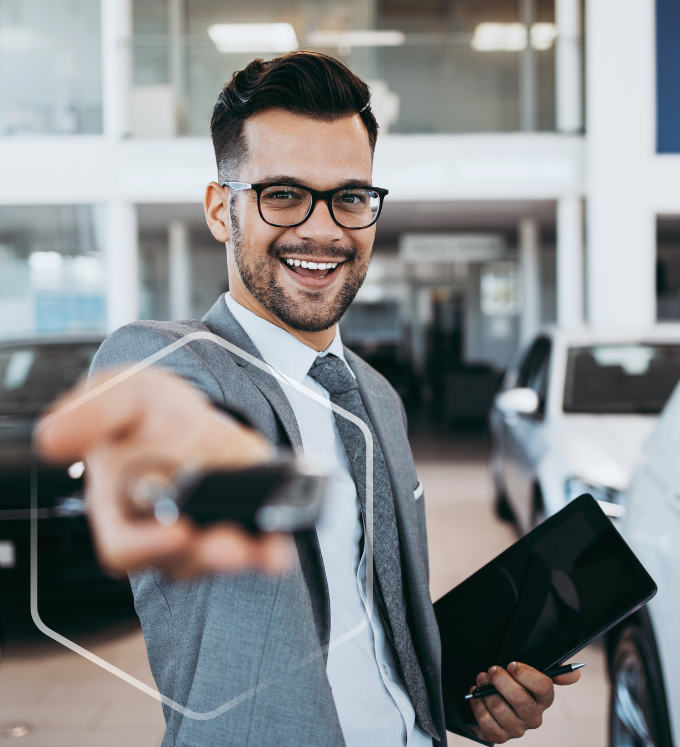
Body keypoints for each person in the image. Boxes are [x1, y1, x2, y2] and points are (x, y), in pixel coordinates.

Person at [37, 51, 580, 746]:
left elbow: (373, 628)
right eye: (283, 194)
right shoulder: (170, 364)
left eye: (350, 196)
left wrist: (459, 696)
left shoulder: (378, 399)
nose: (323, 230)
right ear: (220, 209)